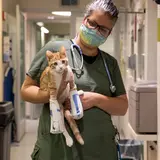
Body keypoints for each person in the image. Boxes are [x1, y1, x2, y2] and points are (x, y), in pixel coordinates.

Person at [21, 0, 128, 159]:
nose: (96, 31)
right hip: (58, 148)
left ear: (109, 33)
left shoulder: (109, 64)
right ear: (85, 20)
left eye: (103, 29)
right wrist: (54, 95)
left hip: (100, 150)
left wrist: (96, 99)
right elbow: (26, 90)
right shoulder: (55, 50)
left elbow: (122, 106)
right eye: (93, 23)